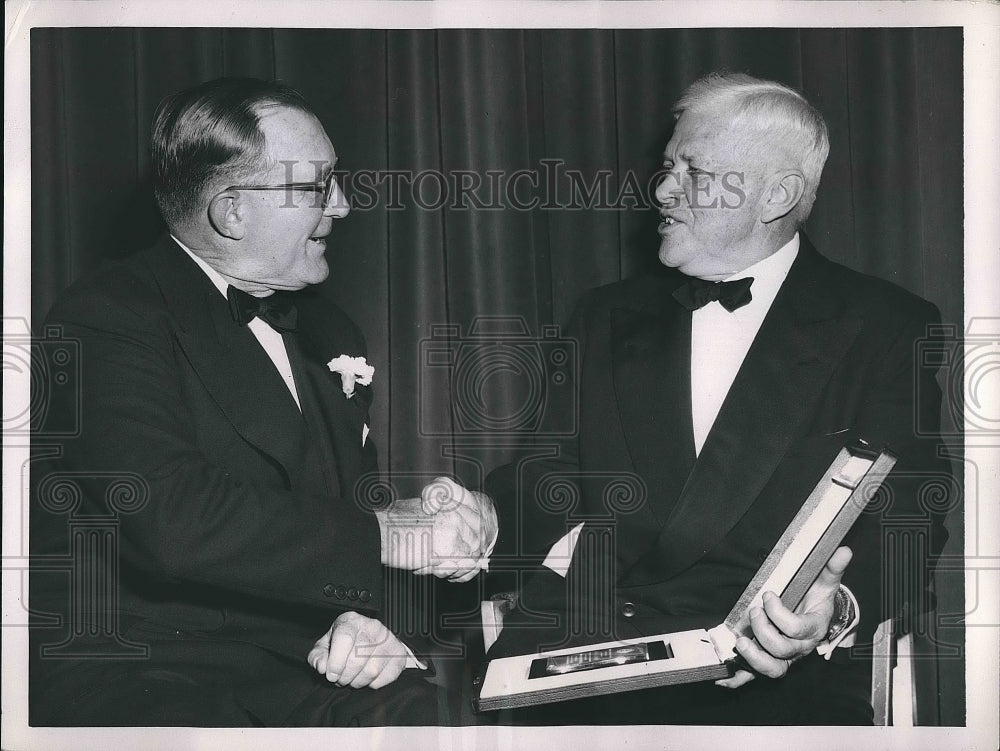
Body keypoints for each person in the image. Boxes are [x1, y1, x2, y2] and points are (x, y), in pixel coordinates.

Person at [478, 72, 949, 725]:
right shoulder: (605, 315)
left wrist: (835, 607)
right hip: (584, 650)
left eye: (691, 171)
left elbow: (912, 515)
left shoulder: (886, 325)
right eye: (666, 167)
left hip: (768, 666)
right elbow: (546, 480)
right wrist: (477, 520)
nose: (662, 189)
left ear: (775, 194)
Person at [29, 77, 496, 727]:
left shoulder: (331, 332)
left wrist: (368, 620)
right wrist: (396, 532)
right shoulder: (105, 316)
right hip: (143, 670)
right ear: (233, 212)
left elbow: (333, 525)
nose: (342, 205)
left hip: (299, 666)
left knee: (451, 726)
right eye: (315, 186)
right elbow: (171, 518)